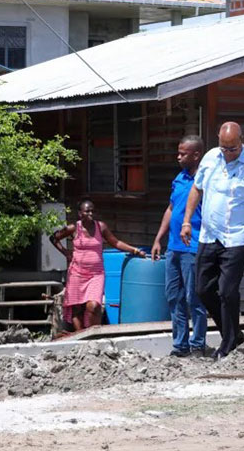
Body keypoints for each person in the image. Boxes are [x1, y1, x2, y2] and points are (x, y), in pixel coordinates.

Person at [181, 122, 244, 360]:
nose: (228, 153)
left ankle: (228, 342)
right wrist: (187, 221)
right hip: (209, 235)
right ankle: (234, 334)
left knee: (227, 291)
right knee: (202, 289)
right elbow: (196, 189)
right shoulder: (211, 158)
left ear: (242, 140)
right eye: (224, 148)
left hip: (236, 237)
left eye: (232, 148)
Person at [151, 135, 209, 358]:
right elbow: (171, 208)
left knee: (193, 298)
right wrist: (158, 238)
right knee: (173, 296)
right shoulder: (179, 178)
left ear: (196, 155)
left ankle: (197, 345)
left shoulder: (204, 181)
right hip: (173, 247)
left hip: (193, 248)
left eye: (183, 153)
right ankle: (180, 345)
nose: (178, 157)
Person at [50, 199, 146, 331]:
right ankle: (80, 336)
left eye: (92, 211)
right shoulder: (74, 228)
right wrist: (66, 252)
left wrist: (135, 250)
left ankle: (92, 334)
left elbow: (116, 242)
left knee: (94, 306)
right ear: (80, 213)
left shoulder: (100, 227)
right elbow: (54, 238)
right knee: (77, 307)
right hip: (76, 273)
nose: (91, 213)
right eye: (87, 211)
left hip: (96, 274)